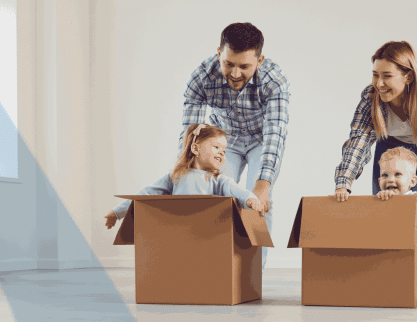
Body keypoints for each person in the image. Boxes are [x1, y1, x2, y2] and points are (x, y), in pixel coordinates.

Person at [179, 22, 290, 271]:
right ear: (219, 53)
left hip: (261, 140)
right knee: (215, 194)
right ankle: (215, 268)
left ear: (259, 60)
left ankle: (252, 274)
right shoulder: (201, 78)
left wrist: (262, 185)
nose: (235, 73)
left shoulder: (275, 80)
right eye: (229, 63)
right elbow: (192, 131)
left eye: (244, 66)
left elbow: (275, 133)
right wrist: (185, 170)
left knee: (258, 199)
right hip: (225, 140)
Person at [334, 41, 417, 213]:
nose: (379, 84)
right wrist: (343, 184)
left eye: (387, 76)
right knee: (384, 211)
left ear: (408, 77)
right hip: (390, 148)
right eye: (375, 75)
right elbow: (358, 141)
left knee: (416, 213)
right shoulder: (371, 97)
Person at [105, 124, 264, 229]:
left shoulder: (218, 180)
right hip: (177, 229)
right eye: (216, 147)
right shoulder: (176, 176)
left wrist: (251, 200)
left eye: (224, 150)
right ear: (195, 148)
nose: (221, 153)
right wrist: (117, 212)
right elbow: (146, 193)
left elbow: (239, 192)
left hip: (206, 233)